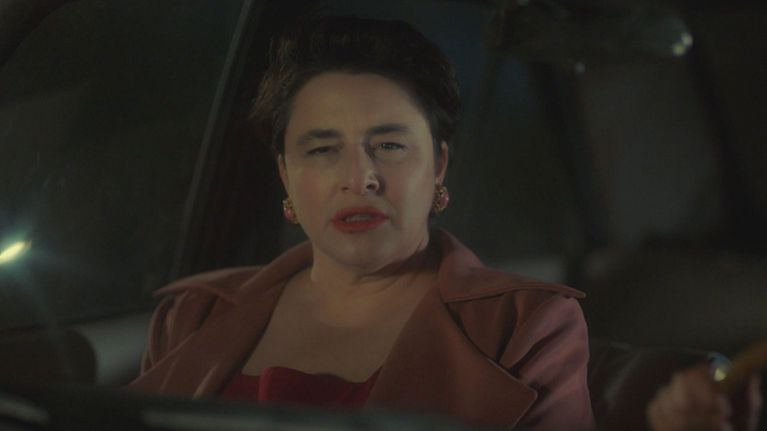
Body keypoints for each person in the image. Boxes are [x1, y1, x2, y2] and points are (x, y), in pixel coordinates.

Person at [128, 14, 759, 431]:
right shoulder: (193, 316)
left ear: (439, 167)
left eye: (389, 145)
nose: (360, 177)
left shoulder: (526, 327)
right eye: (322, 149)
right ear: (286, 175)